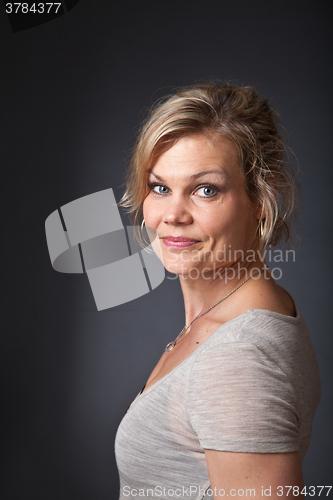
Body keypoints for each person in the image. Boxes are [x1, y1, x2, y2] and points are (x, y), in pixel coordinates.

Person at [115, 83, 321, 499]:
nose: (173, 215)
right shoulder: (245, 314)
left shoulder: (238, 356)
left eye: (205, 189)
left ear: (263, 199)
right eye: (160, 187)